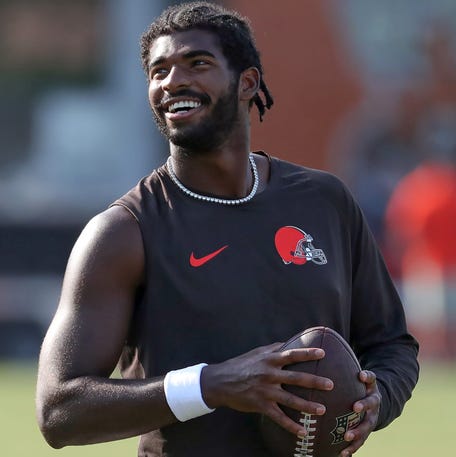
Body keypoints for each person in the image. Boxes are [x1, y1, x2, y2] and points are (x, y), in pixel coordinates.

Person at [36, 2, 419, 457]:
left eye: (197, 63)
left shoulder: (326, 201)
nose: (173, 81)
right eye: (159, 71)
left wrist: (378, 402)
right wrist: (210, 385)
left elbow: (391, 344)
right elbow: (59, 411)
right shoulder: (123, 231)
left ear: (248, 83)